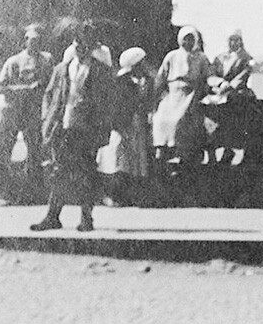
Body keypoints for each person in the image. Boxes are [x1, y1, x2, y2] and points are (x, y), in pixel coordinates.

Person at [31, 21, 115, 232]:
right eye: (77, 41)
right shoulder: (61, 69)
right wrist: (46, 121)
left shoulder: (100, 71)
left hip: (86, 129)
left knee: (87, 172)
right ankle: (53, 217)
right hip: (62, 127)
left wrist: (101, 129)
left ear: (92, 45)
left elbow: (107, 103)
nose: (80, 46)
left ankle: (86, 218)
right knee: (58, 171)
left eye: (85, 42)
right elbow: (49, 96)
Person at [0, 23, 54, 203]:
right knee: (4, 151)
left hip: (33, 113)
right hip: (13, 112)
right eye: (31, 40)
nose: (34, 44)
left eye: (38, 40)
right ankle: (3, 193)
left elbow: (51, 84)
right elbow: (1, 87)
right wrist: (25, 89)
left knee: (35, 153)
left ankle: (32, 193)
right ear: (25, 41)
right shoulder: (13, 62)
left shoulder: (46, 60)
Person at [151, 26, 212, 173]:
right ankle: (161, 149)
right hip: (172, 94)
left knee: (180, 119)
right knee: (160, 118)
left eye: (191, 39)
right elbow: (161, 78)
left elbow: (208, 77)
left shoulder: (201, 58)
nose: (188, 42)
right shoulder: (171, 56)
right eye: (185, 38)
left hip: (190, 95)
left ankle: (180, 153)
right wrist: (157, 96)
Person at [99, 47, 154, 205]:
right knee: (118, 158)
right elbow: (116, 104)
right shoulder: (121, 80)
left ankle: (134, 195)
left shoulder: (146, 80)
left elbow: (148, 100)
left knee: (137, 160)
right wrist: (118, 124)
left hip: (139, 124)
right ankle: (113, 195)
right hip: (123, 125)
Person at [213, 31, 254, 97]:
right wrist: (220, 83)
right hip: (218, 90)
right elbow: (211, 74)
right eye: (230, 40)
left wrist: (228, 87)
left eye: (235, 40)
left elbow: (243, 76)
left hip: (237, 92)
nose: (232, 43)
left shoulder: (247, 58)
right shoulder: (220, 58)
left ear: (240, 42)